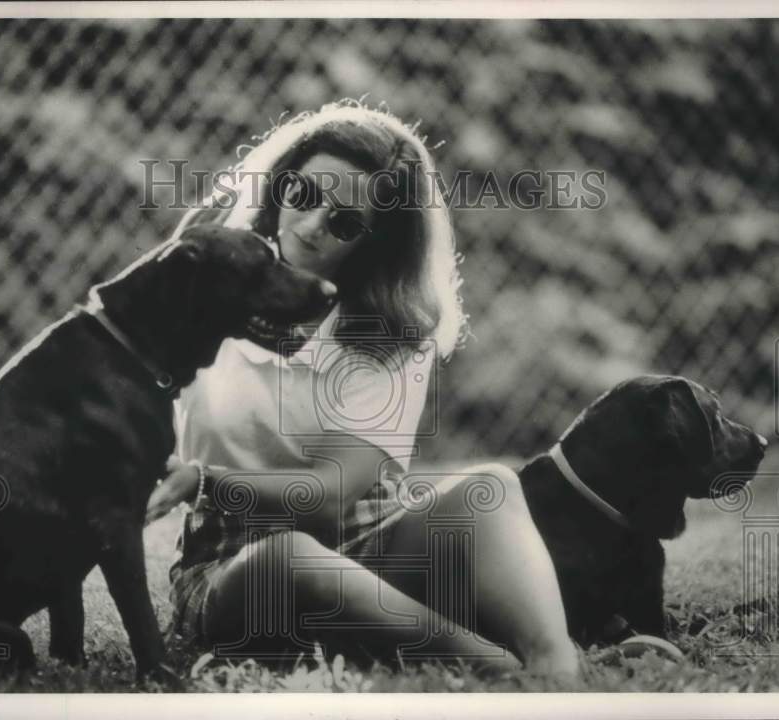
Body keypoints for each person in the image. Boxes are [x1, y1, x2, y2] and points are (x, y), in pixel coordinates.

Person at [145, 101, 578, 678]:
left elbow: (329, 496)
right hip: (235, 566)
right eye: (303, 195)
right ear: (279, 185)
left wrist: (205, 480)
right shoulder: (203, 273)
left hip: (369, 547)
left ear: (377, 243)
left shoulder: (391, 327)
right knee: (289, 557)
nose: (310, 225)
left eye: (345, 222)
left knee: (493, 486)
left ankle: (556, 667)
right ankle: (498, 671)